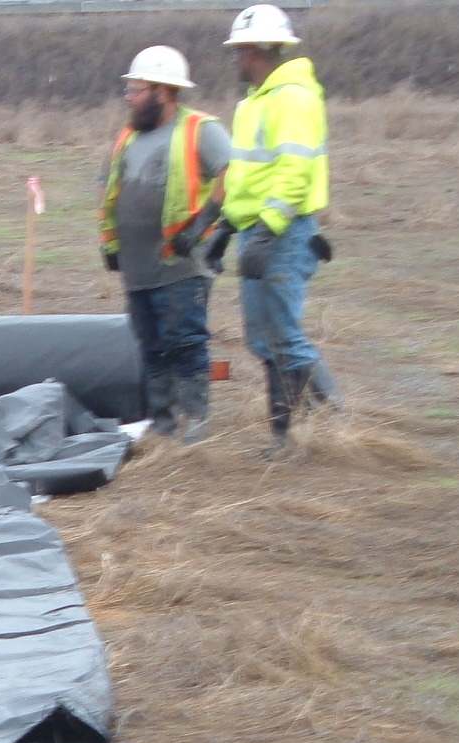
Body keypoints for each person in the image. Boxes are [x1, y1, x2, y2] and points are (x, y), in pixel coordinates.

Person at [204, 4, 336, 455]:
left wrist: (269, 227)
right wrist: (227, 226)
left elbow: (294, 171)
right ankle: (293, 433)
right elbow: (248, 177)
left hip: (283, 234)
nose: (235, 59)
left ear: (259, 49)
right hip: (257, 232)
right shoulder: (255, 102)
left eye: (239, 50)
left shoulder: (293, 97)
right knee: (262, 339)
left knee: (283, 336)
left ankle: (321, 425)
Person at [97, 45, 229, 444]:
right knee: (151, 348)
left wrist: (205, 221)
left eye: (136, 90)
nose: (129, 97)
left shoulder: (200, 129)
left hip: (181, 264)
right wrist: (111, 242)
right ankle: (163, 425)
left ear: (163, 91)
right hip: (138, 266)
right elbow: (109, 190)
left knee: (185, 342)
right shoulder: (127, 138)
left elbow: (233, 173)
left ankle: (196, 427)